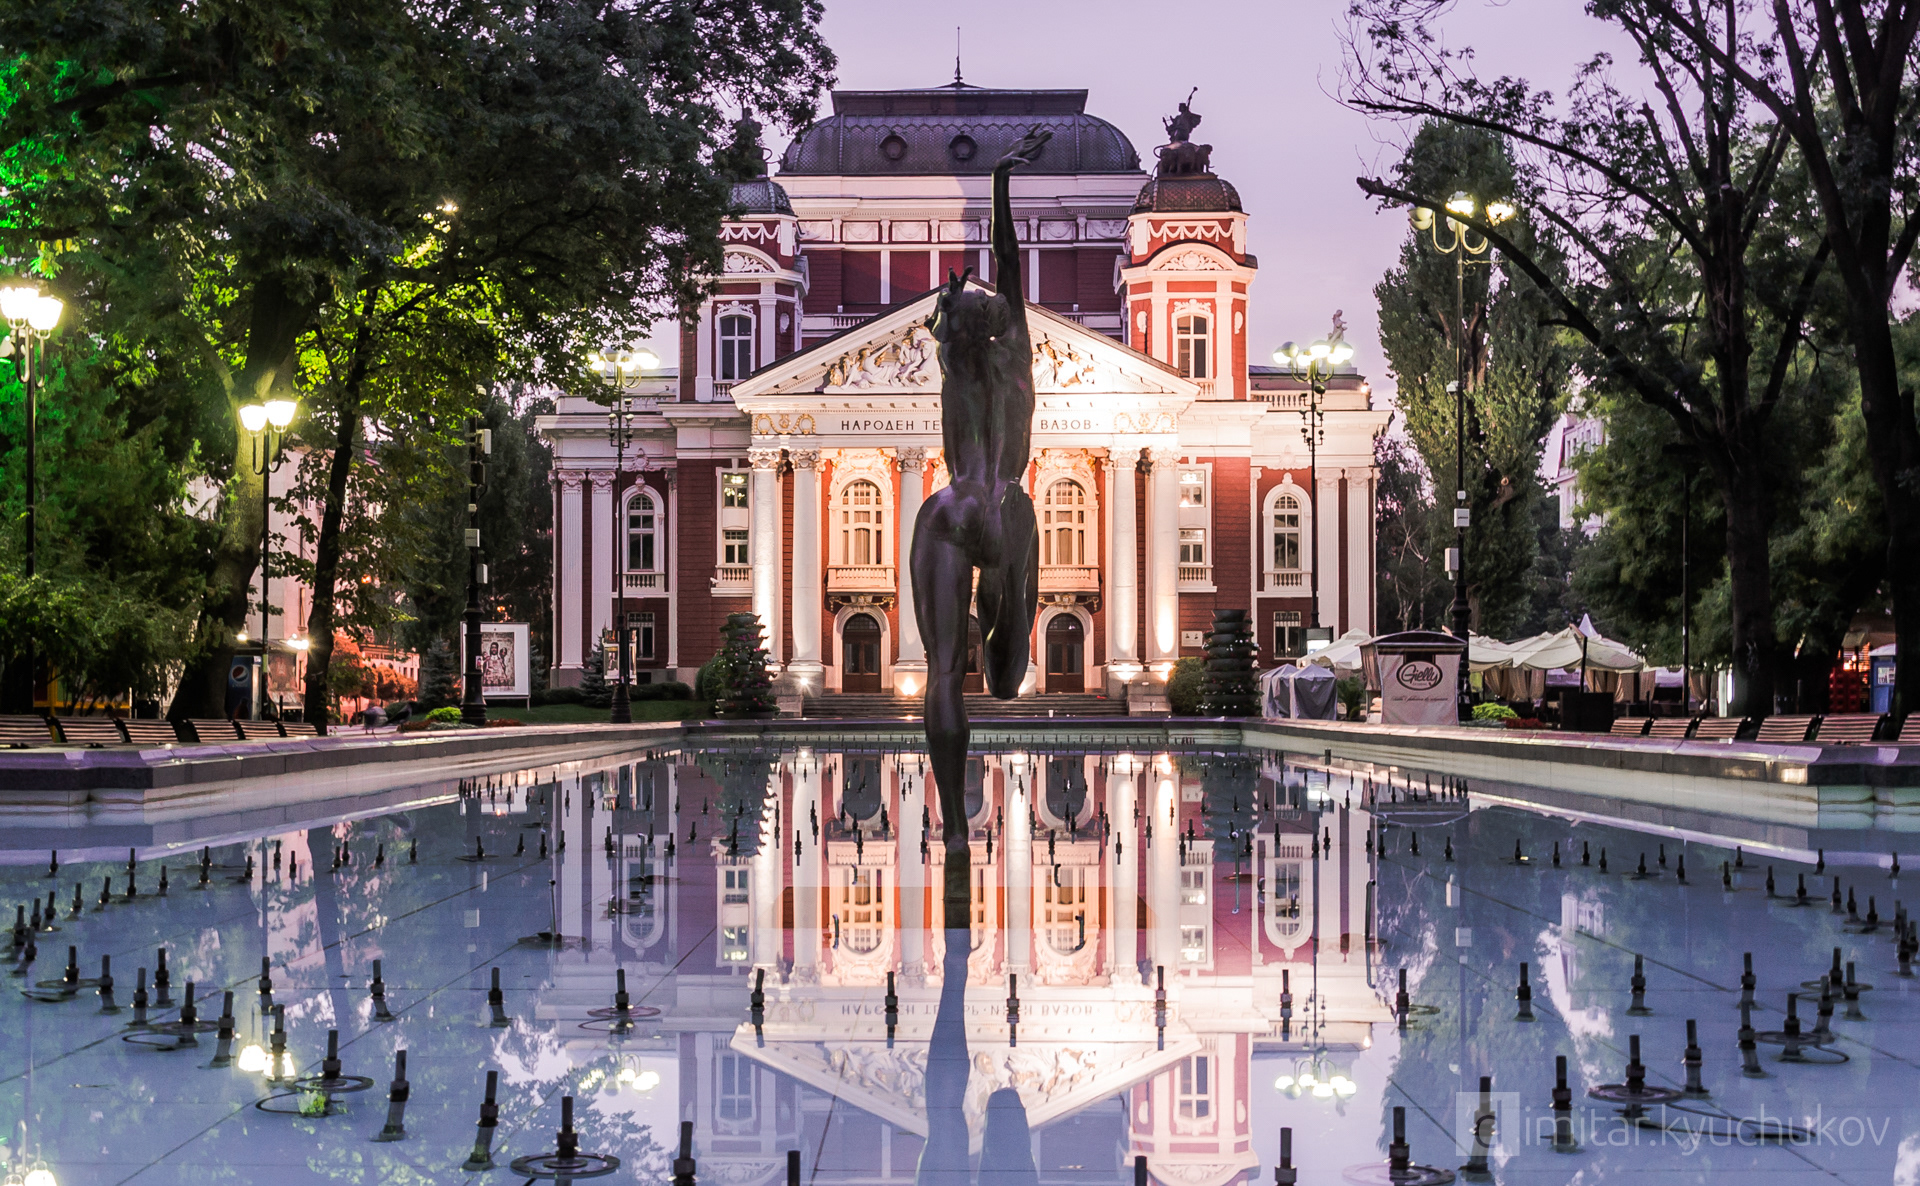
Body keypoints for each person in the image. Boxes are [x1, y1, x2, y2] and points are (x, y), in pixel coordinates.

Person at [911, 125, 1050, 902]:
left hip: (947, 505)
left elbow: (951, 310)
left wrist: (944, 308)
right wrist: (999, 183)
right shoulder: (1015, 345)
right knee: (1004, 680)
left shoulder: (952, 356)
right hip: (1007, 506)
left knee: (943, 677)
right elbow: (1009, 262)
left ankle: (956, 828)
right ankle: (1008, 617)